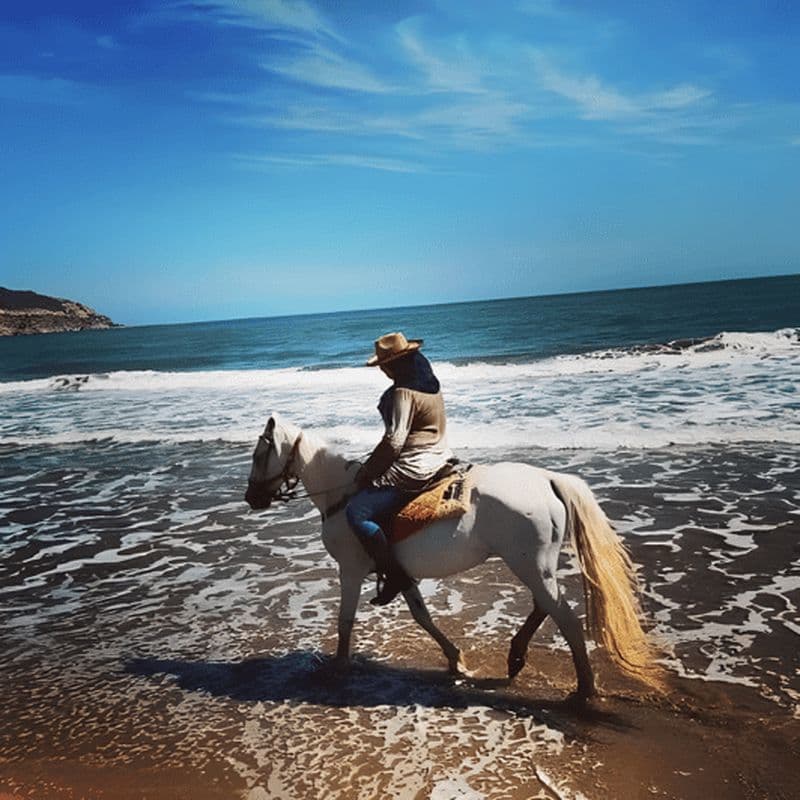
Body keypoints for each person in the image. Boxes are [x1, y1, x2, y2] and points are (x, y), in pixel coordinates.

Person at [347, 331, 454, 605]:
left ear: (393, 364)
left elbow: (395, 442)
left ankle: (394, 575)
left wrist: (367, 471)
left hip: (414, 468)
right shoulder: (431, 384)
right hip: (441, 457)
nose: (382, 370)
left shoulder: (403, 392)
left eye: (384, 365)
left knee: (357, 512)